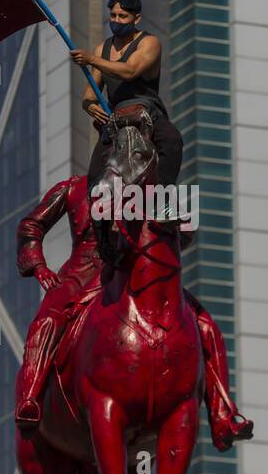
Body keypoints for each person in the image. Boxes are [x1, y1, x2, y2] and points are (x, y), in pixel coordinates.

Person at [13, 174, 252, 451]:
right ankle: (31, 397)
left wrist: (168, 221)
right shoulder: (73, 188)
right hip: (81, 272)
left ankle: (222, 414)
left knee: (206, 325)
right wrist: (38, 265)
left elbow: (184, 236)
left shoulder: (155, 189)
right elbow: (31, 225)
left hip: (135, 272)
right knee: (47, 320)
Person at [69, 0, 184, 191]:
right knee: (95, 174)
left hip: (147, 112)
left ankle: (163, 197)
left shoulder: (149, 43)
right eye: (113, 16)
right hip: (115, 119)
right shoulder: (101, 49)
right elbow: (90, 94)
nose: (116, 21)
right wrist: (89, 105)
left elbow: (130, 71)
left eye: (122, 17)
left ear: (136, 18)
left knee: (171, 141)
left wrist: (91, 60)